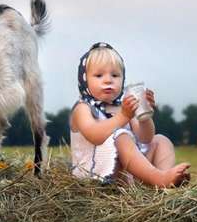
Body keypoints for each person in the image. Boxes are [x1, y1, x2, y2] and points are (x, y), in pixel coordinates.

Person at [70, 42, 190, 187]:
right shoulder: (82, 109)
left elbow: (145, 138)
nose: (108, 80)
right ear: (84, 80)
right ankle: (158, 179)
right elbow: (95, 135)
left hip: (126, 174)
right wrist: (123, 117)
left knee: (161, 140)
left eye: (115, 75)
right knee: (121, 136)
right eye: (99, 75)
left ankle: (163, 182)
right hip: (94, 176)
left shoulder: (122, 107)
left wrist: (144, 116)